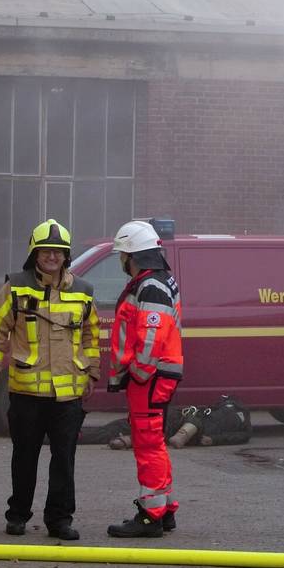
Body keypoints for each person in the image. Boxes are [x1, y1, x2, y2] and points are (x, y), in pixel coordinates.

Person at [0, 219, 100, 540]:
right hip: (26, 392)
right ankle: (18, 515)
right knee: (24, 458)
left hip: (68, 394)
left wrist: (93, 372)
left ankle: (60, 520)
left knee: (64, 461)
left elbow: (91, 337)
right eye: (46, 250)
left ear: (66, 256)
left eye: (58, 252)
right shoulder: (15, 288)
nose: (52, 256)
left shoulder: (84, 292)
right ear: (34, 253)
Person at [107, 219, 183, 539]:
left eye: (122, 255)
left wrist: (137, 373)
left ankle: (150, 516)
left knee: (148, 444)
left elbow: (151, 336)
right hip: (157, 375)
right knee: (155, 443)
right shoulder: (159, 281)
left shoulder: (150, 285)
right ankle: (163, 509)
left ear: (132, 255)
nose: (121, 262)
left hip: (149, 377)